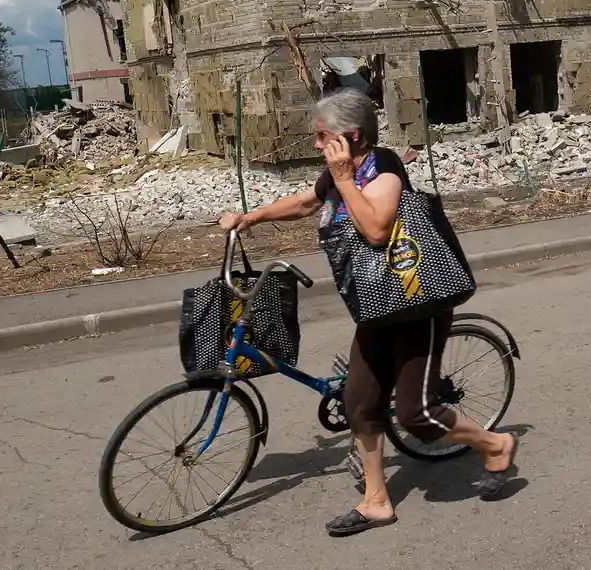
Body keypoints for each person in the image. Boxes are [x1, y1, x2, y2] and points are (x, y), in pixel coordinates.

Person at [218, 89, 517, 537]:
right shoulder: (337, 174)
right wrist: (251, 216)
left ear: (352, 137)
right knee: (359, 403)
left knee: (418, 415)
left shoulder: (384, 166)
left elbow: (377, 229)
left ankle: (495, 444)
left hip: (417, 306)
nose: (317, 145)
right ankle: (376, 501)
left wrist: (342, 180)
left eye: (323, 137)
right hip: (377, 309)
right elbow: (304, 203)